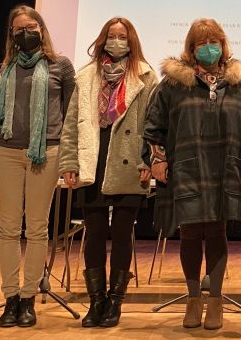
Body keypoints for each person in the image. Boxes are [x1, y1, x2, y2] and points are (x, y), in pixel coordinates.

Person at [143, 19, 241, 331]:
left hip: (225, 167)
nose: (208, 47)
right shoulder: (173, 84)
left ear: (223, 45)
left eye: (214, 41)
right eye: (201, 42)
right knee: (189, 232)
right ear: (191, 48)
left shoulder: (238, 84)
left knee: (217, 232)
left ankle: (215, 301)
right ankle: (192, 300)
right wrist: (157, 160)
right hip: (187, 166)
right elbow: (153, 127)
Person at [58, 17, 157, 328]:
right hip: (94, 159)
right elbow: (72, 123)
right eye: (111, 36)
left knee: (123, 233)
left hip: (130, 160)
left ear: (131, 41)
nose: (116, 41)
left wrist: (149, 161)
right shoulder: (86, 75)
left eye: (122, 36)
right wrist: (69, 162)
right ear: (103, 40)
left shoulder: (145, 75)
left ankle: (115, 301)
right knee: (95, 233)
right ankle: (96, 301)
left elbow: (153, 124)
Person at [0, 5, 74, 327]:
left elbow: (70, 116)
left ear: (41, 29)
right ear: (12, 34)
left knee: (37, 228)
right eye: (19, 29)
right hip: (6, 151)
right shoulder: (5, 67)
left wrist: (70, 157)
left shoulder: (60, 65)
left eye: (31, 27)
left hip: (47, 152)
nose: (26, 33)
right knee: (8, 228)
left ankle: (28, 298)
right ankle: (10, 298)